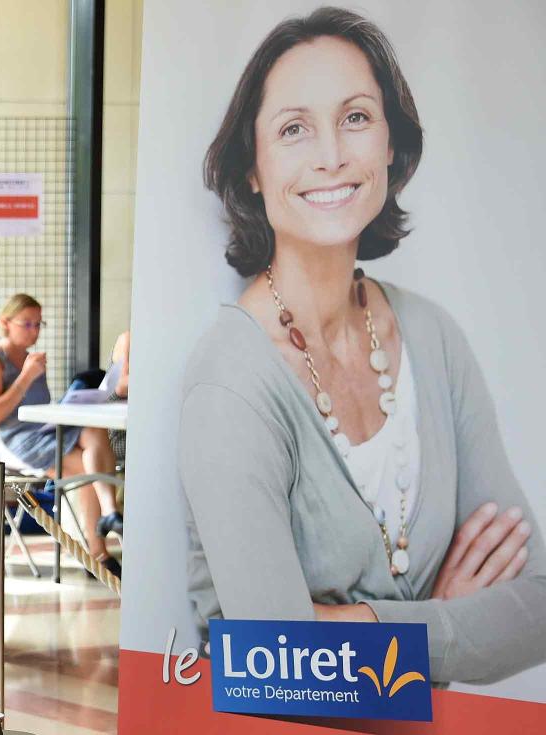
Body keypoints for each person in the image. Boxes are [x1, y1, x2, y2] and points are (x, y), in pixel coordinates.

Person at [181, 6, 546, 683]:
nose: (331, 155)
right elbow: (283, 662)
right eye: (294, 128)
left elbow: (539, 603)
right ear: (252, 169)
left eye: (355, 117)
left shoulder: (434, 339)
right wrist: (446, 619)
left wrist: (356, 628)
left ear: (390, 145)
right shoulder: (230, 379)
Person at [0, 293, 120, 561]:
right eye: (27, 324)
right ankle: (99, 550)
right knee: (87, 469)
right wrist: (25, 377)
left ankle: (108, 513)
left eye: (38, 324)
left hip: (42, 431)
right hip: (12, 439)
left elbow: (40, 405)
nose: (34, 331)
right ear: (6, 322)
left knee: (93, 430)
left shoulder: (33, 359)